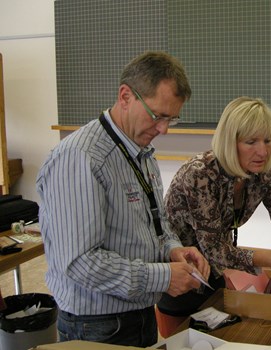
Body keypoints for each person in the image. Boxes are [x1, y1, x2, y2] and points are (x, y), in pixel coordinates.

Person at [36, 51, 210, 347]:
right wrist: (163, 278)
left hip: (140, 312)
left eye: (172, 119)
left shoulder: (141, 152)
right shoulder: (81, 158)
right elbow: (80, 262)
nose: (164, 129)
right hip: (96, 325)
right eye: (158, 115)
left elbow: (157, 223)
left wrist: (173, 249)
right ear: (125, 96)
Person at [155, 96, 271, 337]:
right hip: (180, 277)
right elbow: (215, 249)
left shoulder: (264, 169)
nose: (263, 150)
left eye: (268, 140)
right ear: (230, 142)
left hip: (215, 273)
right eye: (251, 141)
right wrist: (266, 258)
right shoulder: (199, 175)